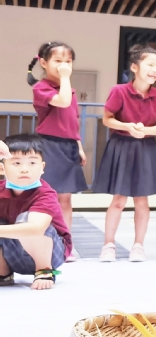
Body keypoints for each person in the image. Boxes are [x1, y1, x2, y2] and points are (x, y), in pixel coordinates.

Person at [94, 45, 156, 263]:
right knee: (118, 200)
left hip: (145, 147)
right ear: (135, 67)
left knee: (142, 201)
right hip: (122, 145)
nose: (155, 70)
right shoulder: (119, 91)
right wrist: (128, 127)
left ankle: (138, 246)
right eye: (151, 65)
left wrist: (144, 131)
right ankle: (108, 245)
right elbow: (107, 119)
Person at [28, 42, 87, 259]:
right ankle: (45, 242)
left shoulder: (67, 88)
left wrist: (79, 145)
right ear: (43, 63)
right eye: (58, 61)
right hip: (49, 145)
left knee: (66, 199)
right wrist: (65, 77)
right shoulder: (41, 88)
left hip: (69, 146)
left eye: (68, 61)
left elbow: (73, 120)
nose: (64, 65)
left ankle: (66, 243)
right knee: (47, 197)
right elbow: (62, 103)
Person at [0, 136, 71, 289]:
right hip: (12, 254)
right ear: (2, 168)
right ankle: (3, 272)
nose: (24, 169)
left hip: (49, 253)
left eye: (32, 163)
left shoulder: (45, 193)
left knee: (26, 220)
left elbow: (36, 229)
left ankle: (43, 270)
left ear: (42, 167)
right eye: (16, 163)